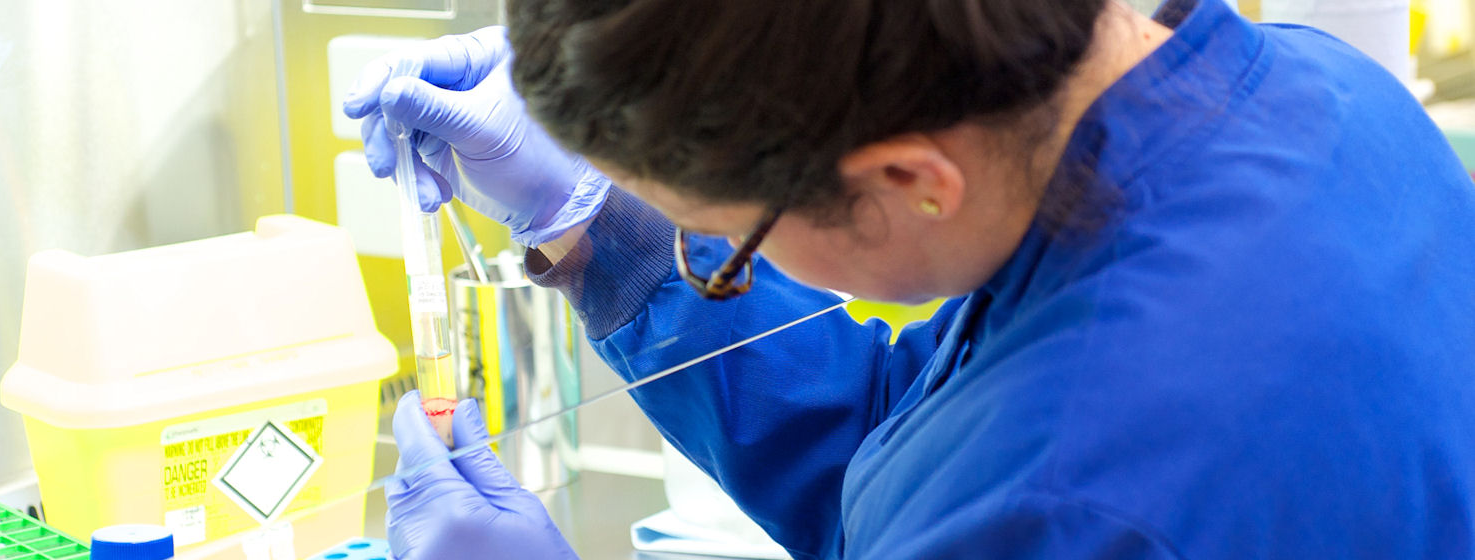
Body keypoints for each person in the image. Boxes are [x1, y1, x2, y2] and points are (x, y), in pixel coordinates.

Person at [343, 0, 1475, 557]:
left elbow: (1012, 488)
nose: (721, 256)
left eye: (725, 244)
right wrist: (599, 229)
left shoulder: (1077, 499)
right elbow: (933, 442)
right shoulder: (1312, 96)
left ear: (910, 175)